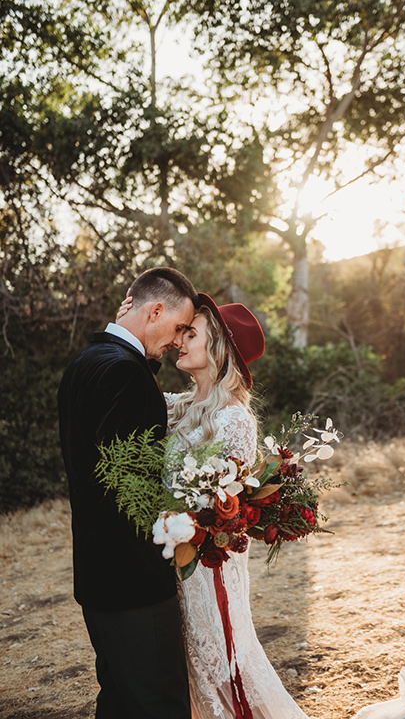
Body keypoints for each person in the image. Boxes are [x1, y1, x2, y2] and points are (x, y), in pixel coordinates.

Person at [117, 291, 311, 719]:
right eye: (180, 331)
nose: (179, 341)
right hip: (173, 567)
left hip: (210, 573)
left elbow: (227, 507)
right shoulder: (179, 406)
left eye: (191, 333)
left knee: (225, 669)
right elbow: (130, 390)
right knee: (191, 674)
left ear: (219, 349)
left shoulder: (234, 419)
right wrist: (130, 330)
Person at [57, 267, 198, 719]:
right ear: (155, 310)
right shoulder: (126, 375)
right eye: (178, 327)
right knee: (160, 706)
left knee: (119, 703)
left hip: (98, 579)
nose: (179, 341)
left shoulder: (85, 364)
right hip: (134, 584)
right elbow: (132, 493)